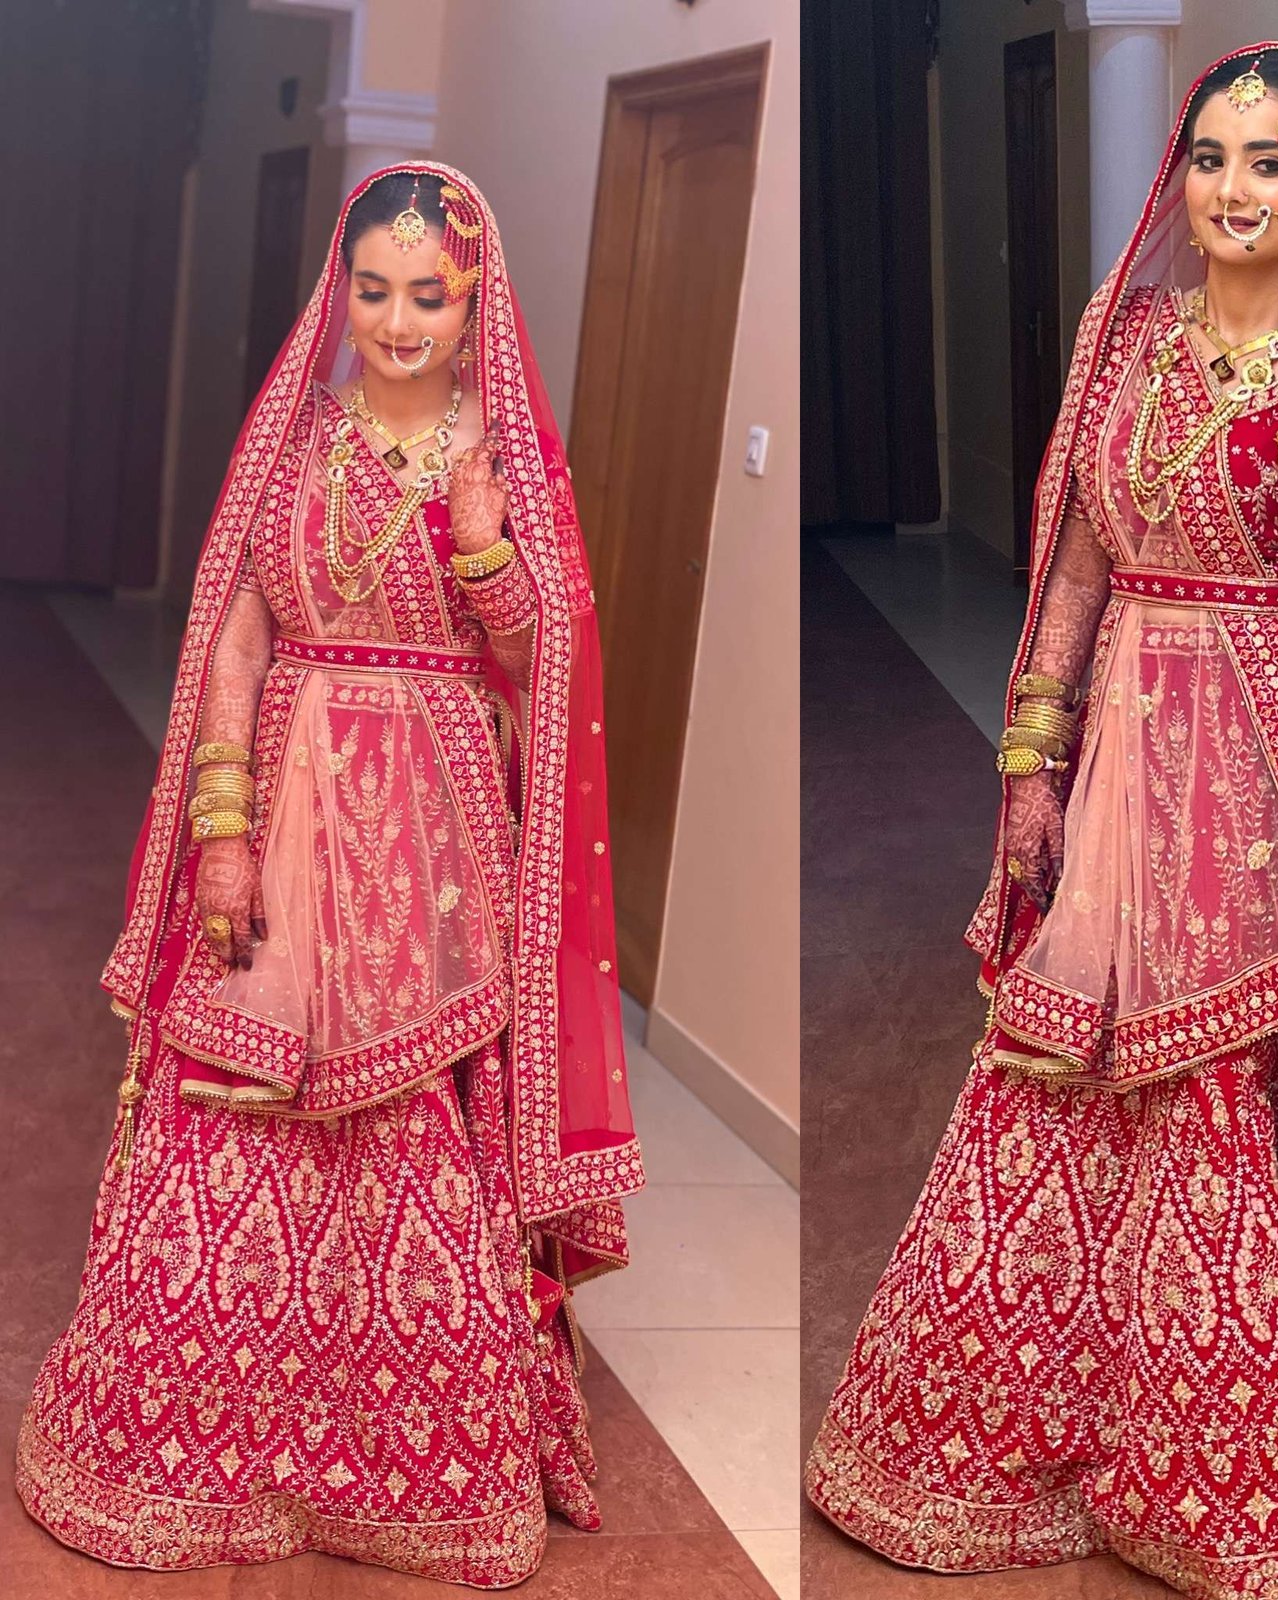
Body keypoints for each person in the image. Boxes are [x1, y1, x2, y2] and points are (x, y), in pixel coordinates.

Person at [806, 44, 1278, 1598]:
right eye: (1209, 157)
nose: (1232, 189)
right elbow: (1079, 565)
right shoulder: (1125, 338)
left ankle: (1226, 1468)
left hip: (1276, 772)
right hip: (1129, 754)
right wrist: (1029, 758)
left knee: (1234, 1092)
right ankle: (1047, 1426)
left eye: (1269, 162)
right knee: (1067, 1065)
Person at [15, 164, 643, 1588]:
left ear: (473, 301)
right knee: (237, 1095)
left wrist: (484, 548)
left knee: (412, 1115)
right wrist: (222, 831)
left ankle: (407, 1469)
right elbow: (238, 641)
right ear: (340, 291)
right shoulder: (293, 446)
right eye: (374, 290)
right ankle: (199, 1444)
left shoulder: (504, 460)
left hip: (434, 837)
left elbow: (541, 669)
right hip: (287, 794)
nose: (399, 322)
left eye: (429, 295)